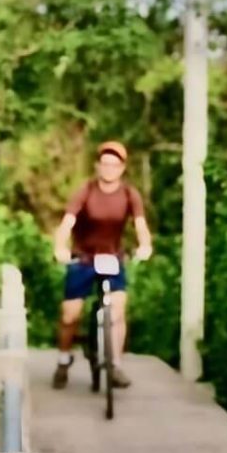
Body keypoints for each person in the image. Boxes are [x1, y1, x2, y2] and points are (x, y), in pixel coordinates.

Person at [52, 140, 153, 390]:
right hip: (84, 258)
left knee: (117, 310)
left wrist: (145, 246)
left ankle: (115, 364)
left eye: (114, 164)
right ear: (98, 166)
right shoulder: (85, 191)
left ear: (122, 168)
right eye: (104, 163)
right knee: (69, 314)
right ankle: (64, 360)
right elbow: (67, 224)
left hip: (113, 258)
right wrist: (60, 248)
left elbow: (141, 226)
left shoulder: (130, 194)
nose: (109, 168)